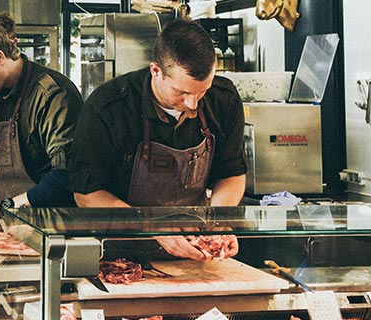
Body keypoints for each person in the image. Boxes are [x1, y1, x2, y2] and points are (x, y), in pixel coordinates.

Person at [69, 19, 246, 261]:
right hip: (122, 255)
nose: (193, 104)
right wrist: (150, 225)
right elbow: (86, 194)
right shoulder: (108, 107)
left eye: (202, 91)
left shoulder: (223, 99)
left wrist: (217, 222)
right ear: (156, 71)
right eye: (181, 92)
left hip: (197, 254)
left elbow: (232, 174)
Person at [0, 15, 82, 225]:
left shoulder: (52, 96)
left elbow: (66, 176)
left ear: (0, 57)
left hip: (53, 222)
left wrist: (4, 209)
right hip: (16, 221)